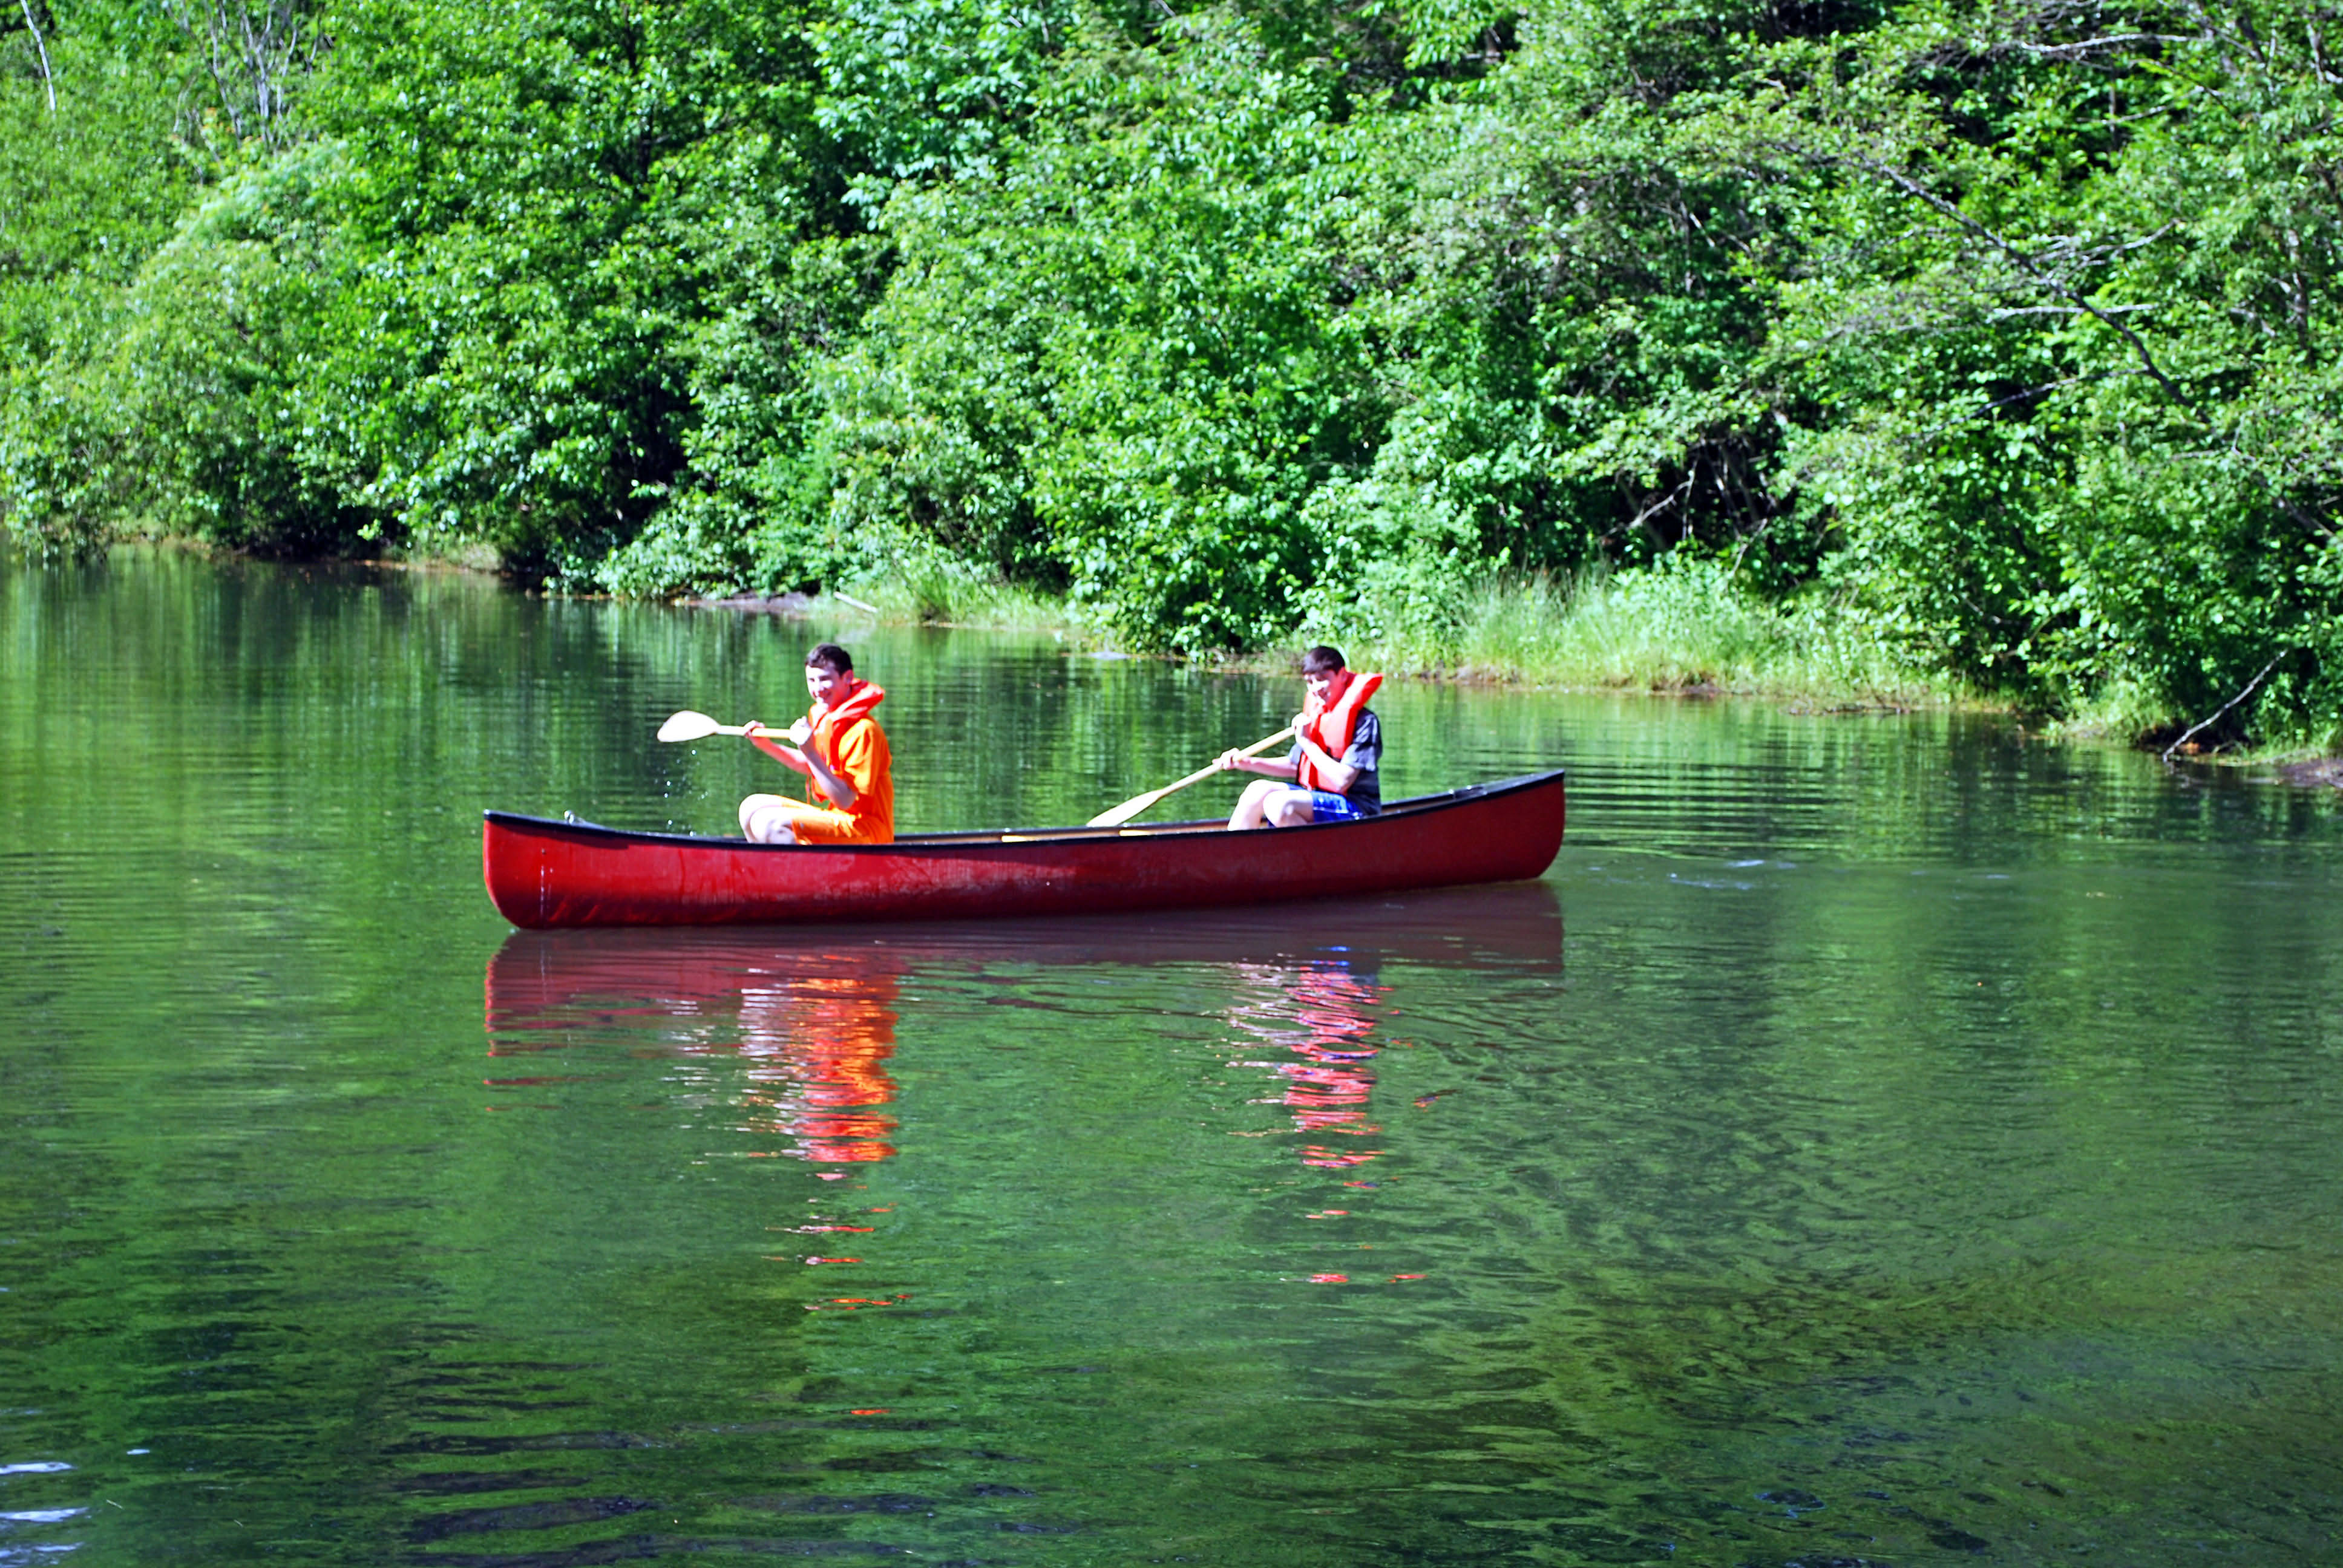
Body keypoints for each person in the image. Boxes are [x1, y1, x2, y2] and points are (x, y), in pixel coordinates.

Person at [738, 643, 895, 844]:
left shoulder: (864, 731)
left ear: (847, 678)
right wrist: (766, 744)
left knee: (769, 823)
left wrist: (810, 751)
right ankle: (764, 869)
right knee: (751, 808)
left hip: (869, 832)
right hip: (841, 821)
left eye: (825, 679)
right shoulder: (823, 716)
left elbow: (846, 800)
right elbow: (810, 765)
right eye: (811, 680)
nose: (817, 689)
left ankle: (796, 872)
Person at [1218, 645, 1383, 830]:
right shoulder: (1316, 715)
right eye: (1309, 682)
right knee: (1256, 791)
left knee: (1279, 804)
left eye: (1322, 680)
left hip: (1356, 809)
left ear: (1343, 675)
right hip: (1316, 798)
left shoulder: (1365, 722)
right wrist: (1246, 762)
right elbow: (1294, 765)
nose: (1315, 689)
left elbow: (1343, 780)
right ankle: (1234, 855)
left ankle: (1309, 856)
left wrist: (1306, 742)